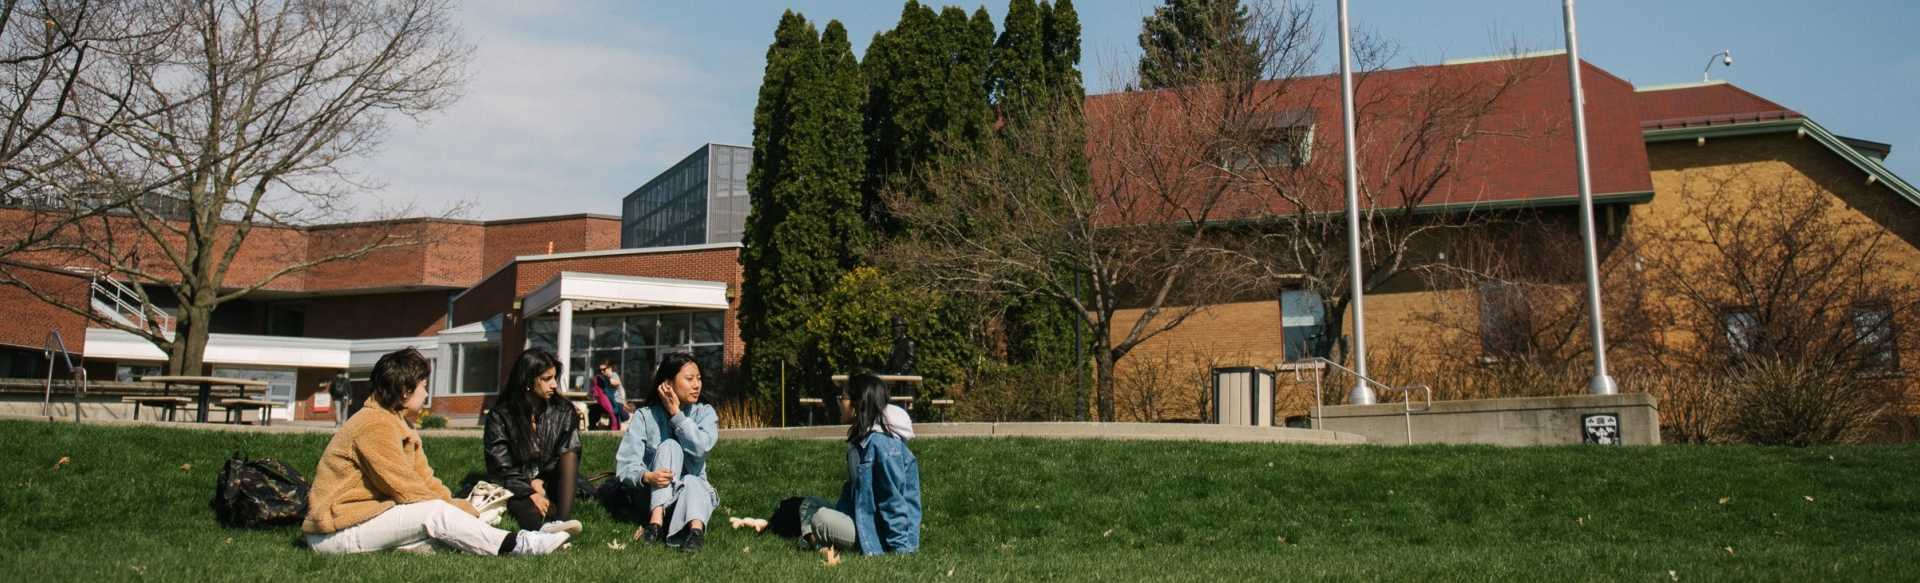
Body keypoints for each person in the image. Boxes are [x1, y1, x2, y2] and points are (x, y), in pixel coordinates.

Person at [302, 348, 569, 556]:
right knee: (435, 514)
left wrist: (460, 506)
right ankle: (520, 545)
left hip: (367, 517)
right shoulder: (373, 425)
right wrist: (454, 508)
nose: (426, 391)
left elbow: (425, 479)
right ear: (405, 390)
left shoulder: (397, 422)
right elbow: (406, 489)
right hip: (335, 531)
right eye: (423, 385)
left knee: (463, 511)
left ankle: (457, 540)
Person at [613, 352, 719, 553]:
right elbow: (625, 465)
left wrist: (677, 415)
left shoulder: (705, 413)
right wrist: (646, 476)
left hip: (691, 498)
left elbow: (701, 448)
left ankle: (695, 533)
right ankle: (655, 523)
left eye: (699, 378)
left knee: (694, 481)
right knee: (669, 446)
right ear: (667, 383)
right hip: (653, 497)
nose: (697, 385)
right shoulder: (644, 416)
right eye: (689, 379)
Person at [807, 373, 921, 556]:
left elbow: (893, 500)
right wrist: (842, 516)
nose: (839, 402)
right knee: (809, 504)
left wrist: (901, 551)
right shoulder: (861, 442)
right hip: (861, 517)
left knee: (821, 519)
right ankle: (821, 544)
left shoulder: (882, 445)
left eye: (843, 397)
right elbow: (852, 490)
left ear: (858, 403)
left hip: (876, 533)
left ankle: (823, 545)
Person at [483, 348, 584, 536]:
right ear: (528, 380)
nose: (554, 384)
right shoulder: (501, 416)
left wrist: (541, 479)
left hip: (551, 478)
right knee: (526, 506)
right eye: (547, 379)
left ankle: (562, 524)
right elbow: (500, 465)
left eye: (554, 377)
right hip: (516, 482)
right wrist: (530, 490)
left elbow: (566, 451)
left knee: (570, 453)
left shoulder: (563, 411)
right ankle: (540, 535)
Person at [588, 357, 628, 431]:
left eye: (604, 369)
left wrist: (608, 380)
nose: (602, 372)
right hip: (609, 403)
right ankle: (592, 427)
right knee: (593, 409)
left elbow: (617, 383)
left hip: (617, 402)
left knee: (616, 413)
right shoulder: (603, 378)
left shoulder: (613, 375)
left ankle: (616, 425)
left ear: (609, 368)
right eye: (600, 370)